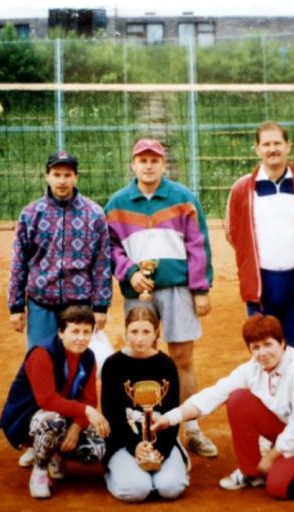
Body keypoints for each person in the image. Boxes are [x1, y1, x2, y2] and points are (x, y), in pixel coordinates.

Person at [153, 313, 294, 500]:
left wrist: (271, 457)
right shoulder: (253, 368)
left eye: (268, 344)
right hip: (288, 427)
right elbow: (215, 394)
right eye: (255, 347)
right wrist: (170, 418)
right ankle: (250, 472)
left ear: (282, 342)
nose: (262, 353)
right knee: (238, 399)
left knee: (279, 486)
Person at [104, 138, 217, 458]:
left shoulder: (183, 198)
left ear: (163, 164)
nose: (149, 165)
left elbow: (198, 244)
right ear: (133, 164)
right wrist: (129, 273)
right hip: (139, 294)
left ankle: (191, 429)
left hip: (179, 289)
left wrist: (201, 288)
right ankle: (145, 428)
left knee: (182, 358)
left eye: (154, 160)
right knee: (141, 357)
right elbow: (110, 248)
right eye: (143, 160)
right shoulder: (117, 203)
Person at [224, 121, 294, 351]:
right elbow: (232, 232)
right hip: (260, 282)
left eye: (277, 143)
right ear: (257, 149)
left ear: (288, 146)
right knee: (262, 347)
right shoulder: (242, 188)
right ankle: (265, 388)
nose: (273, 149)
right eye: (266, 144)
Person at [0, 305, 111, 499]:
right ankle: (39, 469)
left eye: (86, 332)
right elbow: (47, 400)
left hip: (62, 415)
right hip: (26, 418)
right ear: (61, 332)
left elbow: (89, 398)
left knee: (98, 446)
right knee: (53, 421)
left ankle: (52, 453)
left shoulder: (88, 357)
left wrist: (76, 428)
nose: (81, 338)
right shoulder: (42, 353)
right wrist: (86, 411)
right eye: (75, 331)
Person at [7, 149, 112, 348]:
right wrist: (16, 306)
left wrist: (101, 306)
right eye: (56, 175)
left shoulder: (94, 214)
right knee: (40, 362)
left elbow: (102, 263)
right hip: (41, 302)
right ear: (47, 176)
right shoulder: (30, 214)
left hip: (79, 304)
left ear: (76, 177)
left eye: (67, 175)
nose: (62, 181)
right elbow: (19, 262)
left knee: (76, 363)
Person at [100, 306, 189, 502]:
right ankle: (110, 472)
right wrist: (136, 447)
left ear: (156, 332)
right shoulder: (113, 364)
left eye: (146, 331)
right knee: (136, 490)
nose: (139, 338)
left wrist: (162, 450)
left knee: (170, 489)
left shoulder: (166, 364)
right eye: (134, 331)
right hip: (123, 441)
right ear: (125, 330)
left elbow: (171, 413)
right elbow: (112, 415)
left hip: (162, 440)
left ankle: (173, 458)